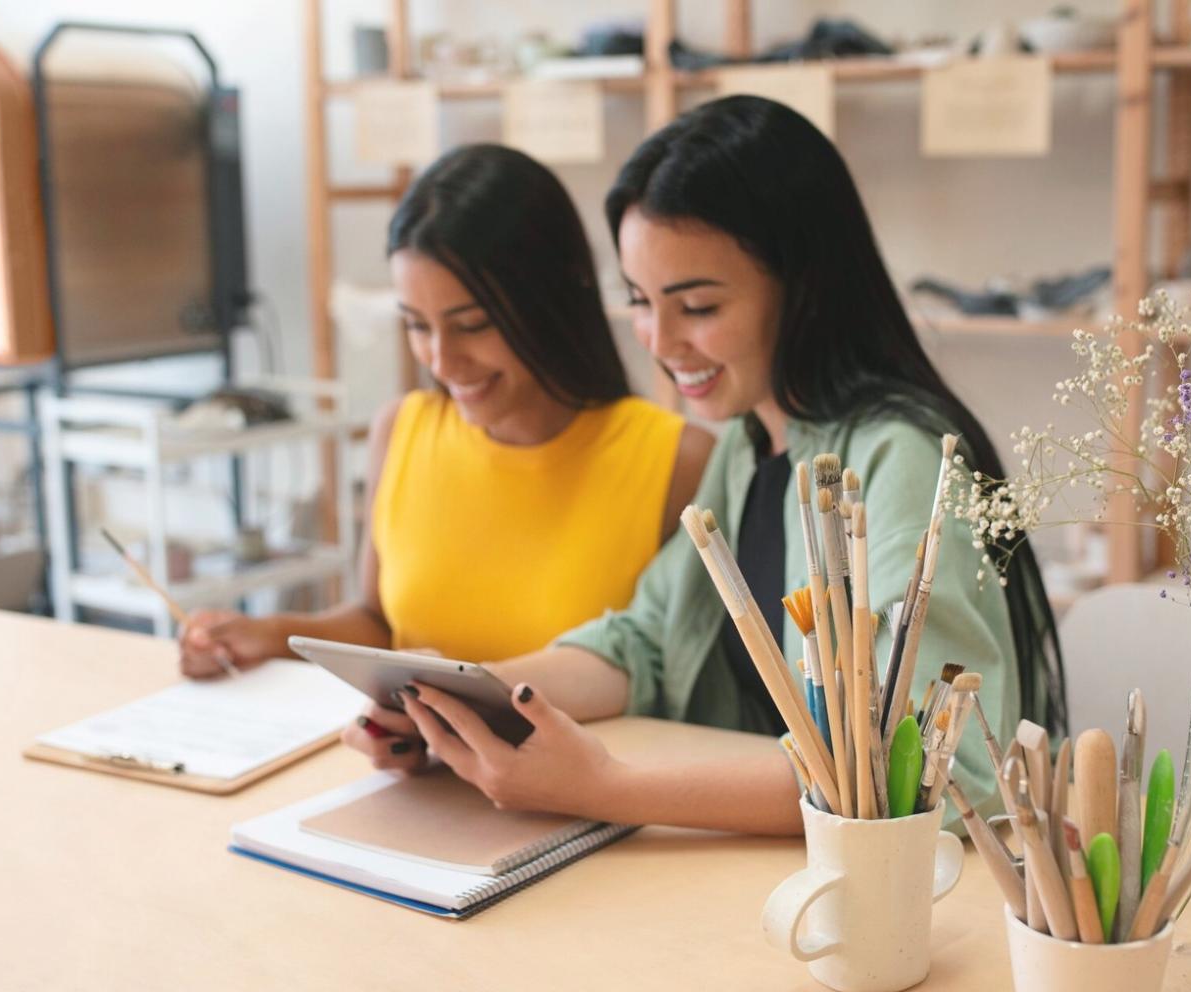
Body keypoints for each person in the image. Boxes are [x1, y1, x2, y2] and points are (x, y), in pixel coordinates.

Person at [346, 98, 1065, 833]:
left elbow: (923, 767)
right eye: (640, 301)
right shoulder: (750, 446)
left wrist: (607, 789)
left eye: (696, 307)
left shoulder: (899, 458)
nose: (660, 342)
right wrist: (462, 700)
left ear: (803, 285)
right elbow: (644, 644)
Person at [178, 145, 712, 700]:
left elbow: (674, 680)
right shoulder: (401, 430)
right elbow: (378, 623)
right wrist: (267, 635)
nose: (441, 359)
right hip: (418, 754)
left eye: (472, 324)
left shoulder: (677, 461)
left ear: (552, 300)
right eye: (416, 325)